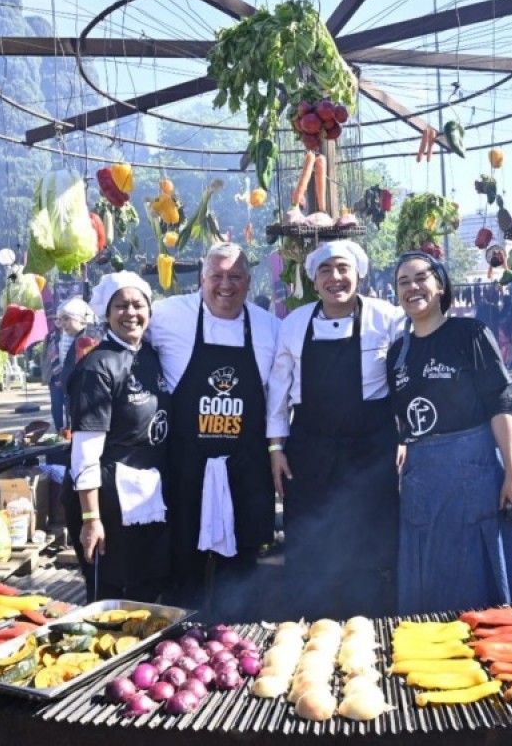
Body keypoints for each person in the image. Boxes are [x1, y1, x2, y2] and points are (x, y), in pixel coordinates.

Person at [387, 251, 512, 614]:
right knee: (429, 583)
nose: (413, 288)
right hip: (422, 482)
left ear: (440, 285)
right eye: (403, 282)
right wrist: (401, 444)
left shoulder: (470, 334)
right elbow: (401, 421)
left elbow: (500, 405)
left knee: (478, 586)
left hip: (474, 473)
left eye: (421, 278)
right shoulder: (397, 353)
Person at [267, 241, 403, 618]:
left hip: (372, 454)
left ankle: (374, 622)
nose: (335, 278)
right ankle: (309, 623)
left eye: (343, 269)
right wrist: (275, 449)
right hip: (310, 454)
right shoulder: (295, 323)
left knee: (370, 545)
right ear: (314, 280)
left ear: (358, 274)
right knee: (311, 542)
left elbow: (407, 381)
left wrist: (406, 436)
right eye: (325, 271)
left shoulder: (387, 317)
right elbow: (279, 391)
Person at [148, 242, 280, 620]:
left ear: (249, 282)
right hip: (186, 467)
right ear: (202, 279)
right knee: (182, 563)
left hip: (246, 468)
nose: (226, 285)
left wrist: (276, 451)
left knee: (241, 569)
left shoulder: (270, 328)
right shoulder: (167, 316)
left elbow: (280, 400)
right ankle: (177, 642)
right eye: (217, 276)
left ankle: (236, 637)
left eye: (235, 276)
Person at [64, 273, 170, 602]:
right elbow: (84, 455)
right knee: (112, 599)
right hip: (108, 501)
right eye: (120, 306)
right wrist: (91, 519)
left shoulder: (150, 356)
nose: (130, 313)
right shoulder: (98, 367)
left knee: (147, 593)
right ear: (106, 313)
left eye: (138, 305)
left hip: (147, 495)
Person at [42, 297, 95, 433]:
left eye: (66, 319)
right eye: (60, 319)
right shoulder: (77, 338)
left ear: (81, 318)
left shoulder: (87, 340)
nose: (63, 324)